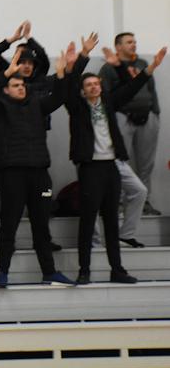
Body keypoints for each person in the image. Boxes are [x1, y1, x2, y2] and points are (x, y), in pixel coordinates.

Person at [66, 37, 165, 284]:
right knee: (88, 221)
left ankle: (117, 270)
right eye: (88, 85)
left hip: (111, 165)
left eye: (96, 83)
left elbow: (129, 87)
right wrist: (82, 57)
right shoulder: (77, 107)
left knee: (111, 220)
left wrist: (149, 68)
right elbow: (66, 87)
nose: (93, 87)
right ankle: (84, 270)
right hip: (90, 167)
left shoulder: (109, 102)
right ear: (82, 90)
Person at [0, 48, 75, 288]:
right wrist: (5, 74)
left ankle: (49, 272)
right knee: (9, 224)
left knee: (42, 226)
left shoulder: (37, 105)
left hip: (40, 174)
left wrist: (62, 73)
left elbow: (59, 98)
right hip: (12, 175)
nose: (21, 87)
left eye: (22, 85)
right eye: (15, 85)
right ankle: (2, 273)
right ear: (7, 90)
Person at [99, 33, 162, 216]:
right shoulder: (108, 68)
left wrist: (155, 113)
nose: (134, 44)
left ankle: (144, 203)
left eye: (134, 41)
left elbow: (151, 88)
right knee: (119, 162)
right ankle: (117, 203)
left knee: (146, 163)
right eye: (129, 42)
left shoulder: (142, 64)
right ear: (118, 46)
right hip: (122, 117)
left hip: (147, 117)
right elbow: (105, 96)